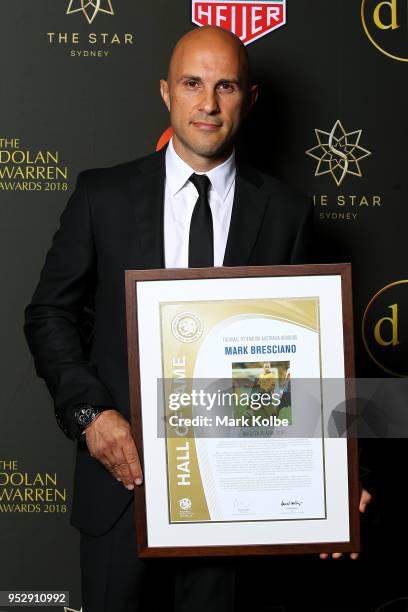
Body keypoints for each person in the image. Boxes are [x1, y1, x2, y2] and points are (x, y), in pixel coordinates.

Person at [24, 25, 371, 612]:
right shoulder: (100, 196)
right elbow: (49, 315)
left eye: (226, 86)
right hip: (123, 488)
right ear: (166, 93)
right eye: (192, 83)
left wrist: (335, 465)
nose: (207, 104)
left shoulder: (286, 213)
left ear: (249, 99)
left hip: (238, 497)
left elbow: (307, 356)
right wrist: (92, 414)